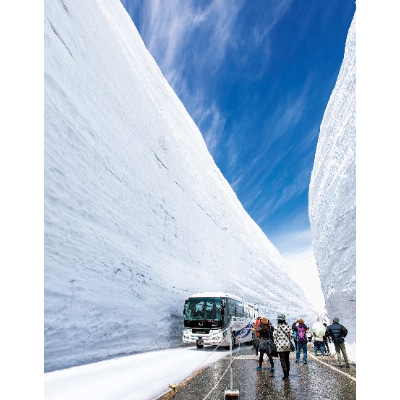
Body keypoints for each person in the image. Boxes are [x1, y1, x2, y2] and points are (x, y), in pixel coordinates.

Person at [273, 313, 293, 380]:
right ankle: (288, 372)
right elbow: (291, 335)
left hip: (280, 346)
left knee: (282, 360)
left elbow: (274, 336)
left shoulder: (276, 327)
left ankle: (285, 374)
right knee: (287, 359)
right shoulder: (287, 326)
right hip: (287, 345)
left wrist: (276, 343)